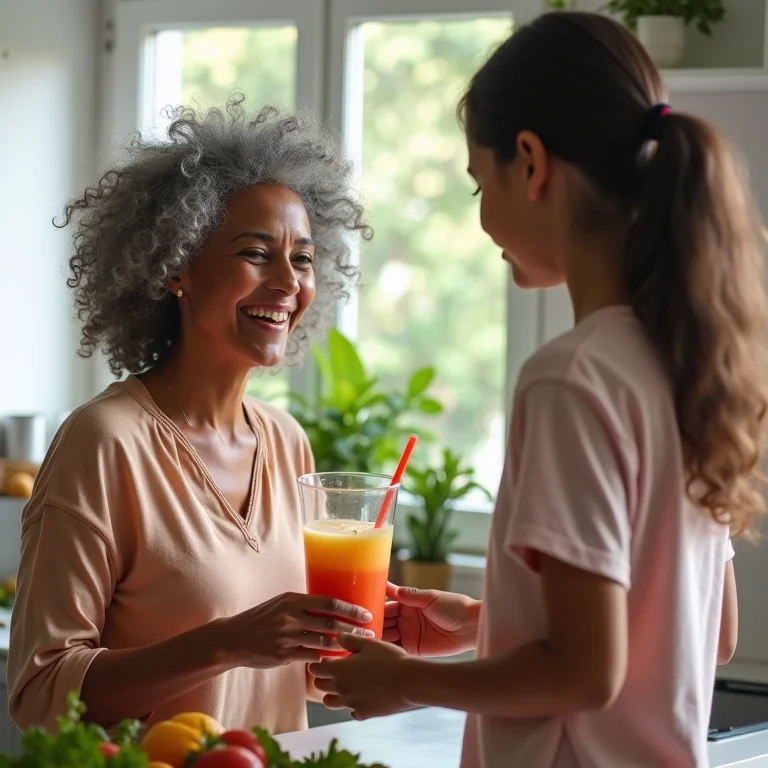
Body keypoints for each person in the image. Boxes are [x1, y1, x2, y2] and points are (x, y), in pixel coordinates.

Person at [310, 11, 767, 767]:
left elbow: (587, 673)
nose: (483, 215)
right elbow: (707, 634)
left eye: (476, 183)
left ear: (530, 163)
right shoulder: (689, 366)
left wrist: (409, 680)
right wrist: (484, 624)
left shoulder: (569, 379)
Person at [7, 98, 377, 735]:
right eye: (256, 253)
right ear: (175, 267)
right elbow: (41, 692)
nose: (289, 281)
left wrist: (373, 635)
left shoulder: (288, 444)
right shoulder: (105, 442)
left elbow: (299, 676)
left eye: (304, 257)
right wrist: (224, 643)